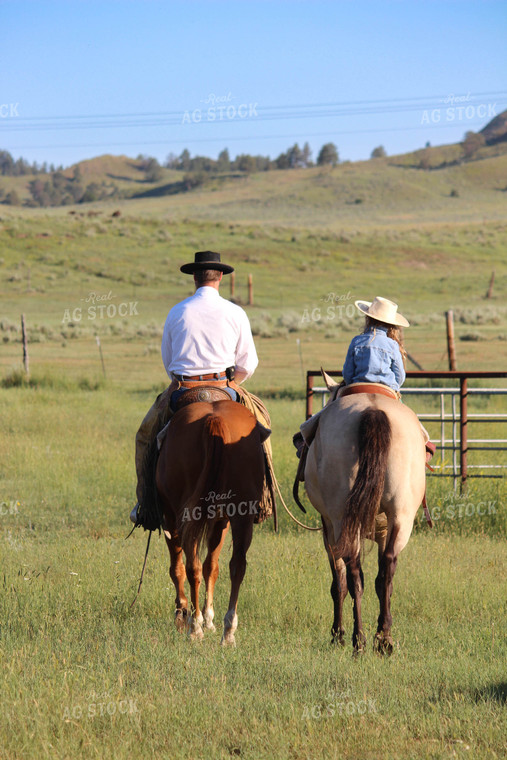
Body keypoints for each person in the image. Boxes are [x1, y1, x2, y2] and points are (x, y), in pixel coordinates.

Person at [131, 250, 269, 529]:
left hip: (184, 390)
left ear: (194, 277)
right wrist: (232, 384)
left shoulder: (177, 311)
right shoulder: (236, 312)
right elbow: (249, 363)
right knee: (262, 427)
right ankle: (262, 498)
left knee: (146, 436)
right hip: (225, 388)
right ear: (220, 277)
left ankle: (146, 504)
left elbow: (169, 362)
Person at [293, 296, 435, 474]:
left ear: (368, 318)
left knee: (323, 416)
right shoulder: (392, 345)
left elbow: (347, 373)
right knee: (413, 424)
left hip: (356, 389)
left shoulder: (357, 341)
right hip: (387, 392)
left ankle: (305, 443)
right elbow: (400, 377)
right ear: (391, 324)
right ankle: (425, 447)